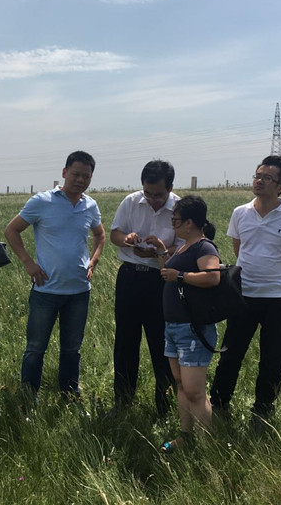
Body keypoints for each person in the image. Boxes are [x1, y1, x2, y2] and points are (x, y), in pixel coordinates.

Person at [210, 155, 281, 427]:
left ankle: (263, 411)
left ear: (280, 186)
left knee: (272, 357)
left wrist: (275, 268)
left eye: (267, 178)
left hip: (279, 297)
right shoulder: (240, 212)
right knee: (230, 353)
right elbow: (239, 248)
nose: (259, 181)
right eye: (257, 175)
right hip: (243, 294)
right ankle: (218, 404)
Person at [4, 151, 106, 400]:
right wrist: (28, 263)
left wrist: (93, 261)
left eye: (86, 176)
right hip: (46, 290)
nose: (80, 180)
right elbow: (11, 230)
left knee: (72, 349)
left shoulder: (90, 205)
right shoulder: (42, 201)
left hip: (79, 291)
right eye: (76, 174)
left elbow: (100, 235)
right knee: (35, 348)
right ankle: (29, 397)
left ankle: (69, 395)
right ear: (64, 172)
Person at [145, 195, 220, 453]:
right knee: (180, 384)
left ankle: (207, 446)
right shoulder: (183, 247)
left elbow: (212, 277)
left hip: (192, 329)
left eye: (175, 220)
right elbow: (169, 273)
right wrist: (161, 251)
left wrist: (181, 276)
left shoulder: (204, 247)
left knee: (195, 391)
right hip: (174, 327)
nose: (173, 224)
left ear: (189, 223)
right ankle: (186, 436)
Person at [110, 160, 183, 417]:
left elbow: (185, 246)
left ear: (170, 188)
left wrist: (160, 250)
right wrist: (127, 240)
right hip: (130, 277)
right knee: (125, 341)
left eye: (159, 195)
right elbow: (115, 234)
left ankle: (164, 405)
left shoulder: (181, 208)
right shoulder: (131, 201)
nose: (152, 200)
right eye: (148, 193)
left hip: (161, 280)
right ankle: (122, 401)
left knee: (162, 342)